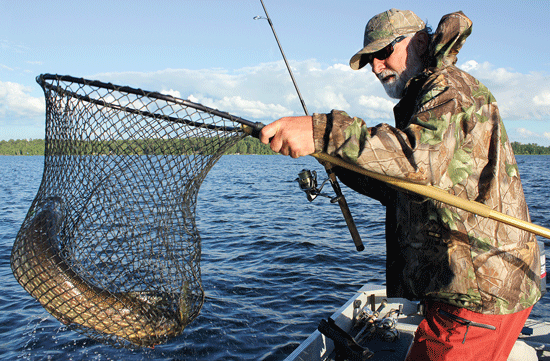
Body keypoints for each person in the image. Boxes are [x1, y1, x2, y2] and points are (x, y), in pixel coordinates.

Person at [259, 9, 541, 361]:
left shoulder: (449, 91)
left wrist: (322, 131)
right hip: (479, 286)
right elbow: (404, 187)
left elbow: (414, 159)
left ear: (420, 42)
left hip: (478, 294)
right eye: (369, 60)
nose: (376, 67)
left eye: (383, 52)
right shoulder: (427, 99)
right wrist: (336, 160)